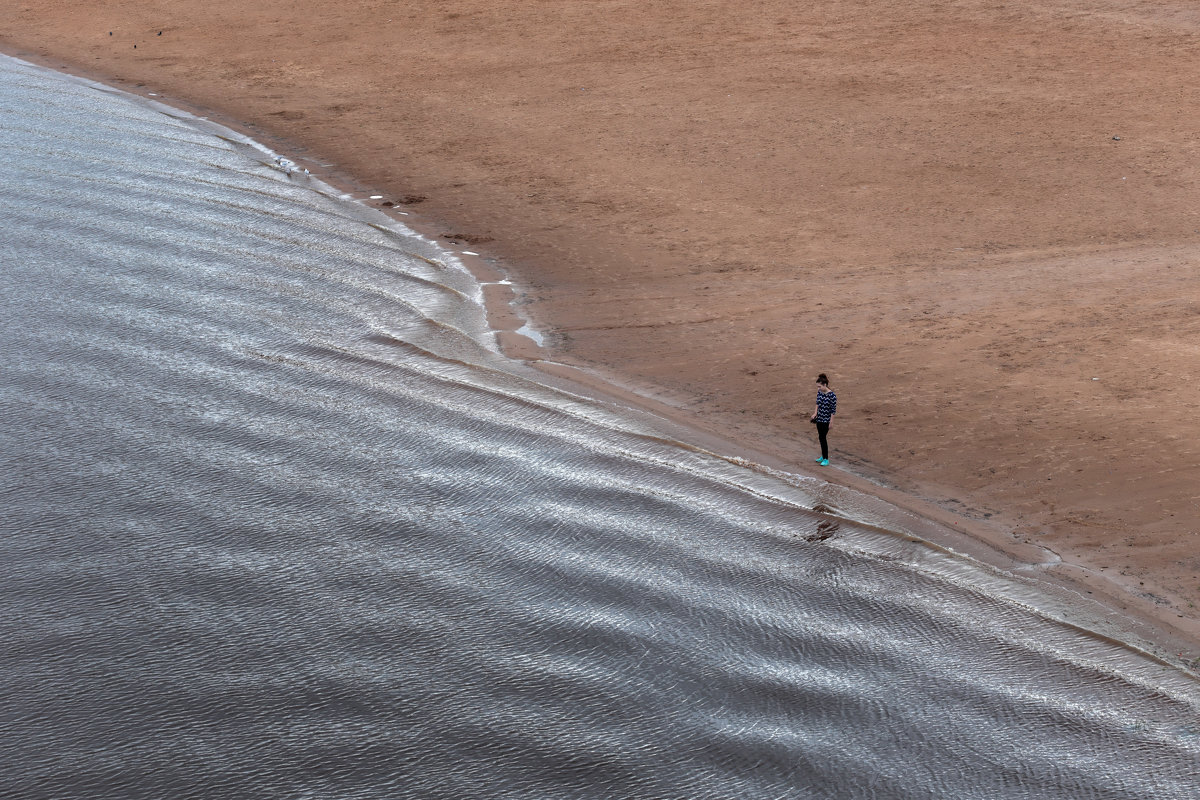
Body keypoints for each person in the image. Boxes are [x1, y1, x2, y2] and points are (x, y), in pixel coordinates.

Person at [809, 373, 837, 466]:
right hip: (819, 418)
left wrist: (831, 422)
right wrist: (815, 413)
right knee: (821, 437)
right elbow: (817, 403)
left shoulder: (832, 396)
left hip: (826, 420)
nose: (818, 388)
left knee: (823, 438)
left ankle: (826, 459)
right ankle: (823, 456)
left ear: (825, 385)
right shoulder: (820, 392)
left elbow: (833, 410)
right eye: (817, 386)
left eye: (819, 386)